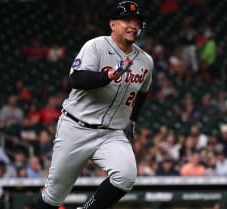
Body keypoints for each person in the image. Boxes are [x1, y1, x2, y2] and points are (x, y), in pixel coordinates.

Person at [35, 1, 153, 209]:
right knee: (54, 195)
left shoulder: (145, 61)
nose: (133, 25)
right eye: (127, 20)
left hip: (111, 133)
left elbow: (142, 92)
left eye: (137, 21)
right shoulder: (96, 46)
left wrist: (133, 119)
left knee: (125, 176)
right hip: (76, 127)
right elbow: (77, 80)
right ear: (113, 24)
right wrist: (109, 75)